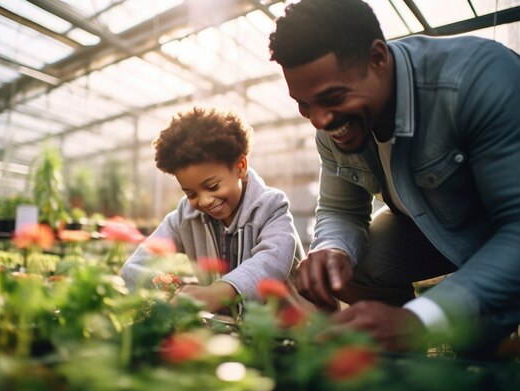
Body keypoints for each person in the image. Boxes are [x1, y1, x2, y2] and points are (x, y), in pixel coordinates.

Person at [268, 0, 520, 356]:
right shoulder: (333, 124)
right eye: (304, 104)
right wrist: (331, 249)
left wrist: (425, 316)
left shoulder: (474, 79)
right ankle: (401, 368)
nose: (319, 120)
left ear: (377, 59)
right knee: (351, 268)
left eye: (332, 98)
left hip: (502, 231)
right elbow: (340, 210)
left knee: (480, 350)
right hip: (435, 229)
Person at [121, 106, 305, 314]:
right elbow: (135, 267)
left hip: (287, 329)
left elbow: (272, 262)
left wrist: (218, 293)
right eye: (191, 194)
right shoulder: (185, 217)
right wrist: (173, 291)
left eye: (213, 186)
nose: (204, 201)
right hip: (229, 333)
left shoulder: (271, 207)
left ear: (240, 166)